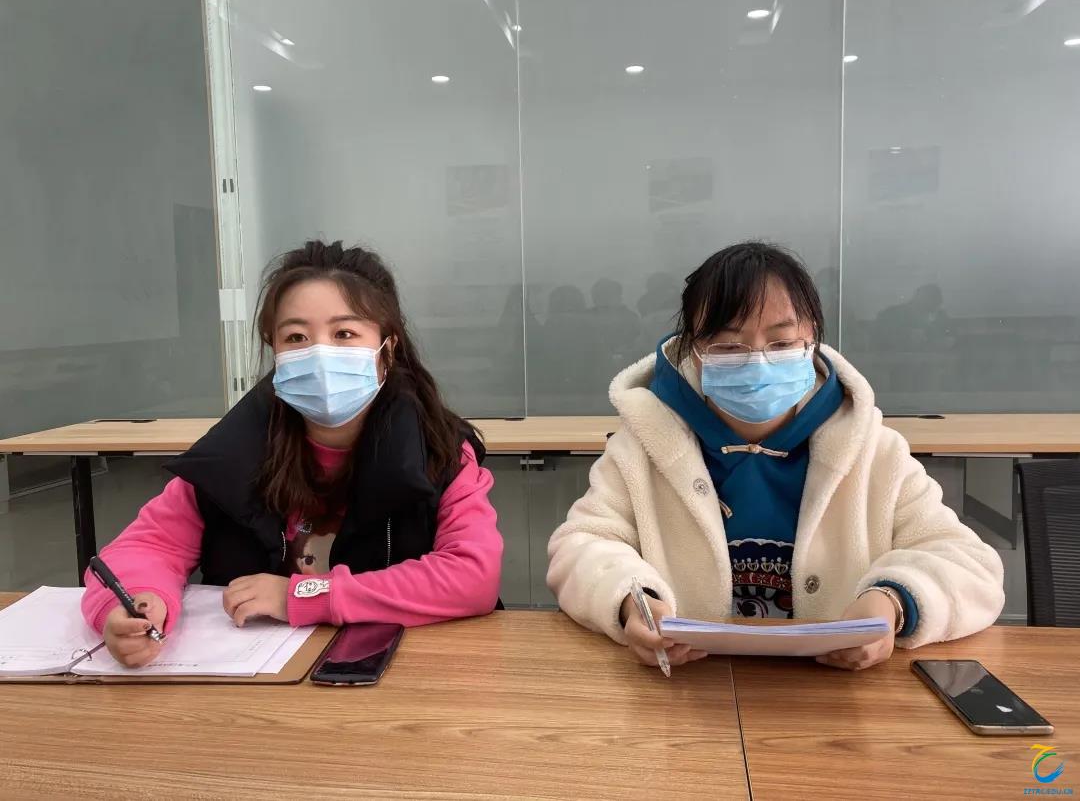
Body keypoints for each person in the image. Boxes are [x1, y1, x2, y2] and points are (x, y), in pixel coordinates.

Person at [547, 242, 1003, 671]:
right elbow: (582, 545)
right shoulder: (642, 446)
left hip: (836, 696)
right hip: (688, 687)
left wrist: (893, 602)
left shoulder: (874, 451)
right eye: (728, 346)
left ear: (812, 340)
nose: (758, 362)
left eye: (782, 344)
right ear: (692, 350)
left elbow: (969, 565)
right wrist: (633, 601)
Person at [82, 240, 503, 667]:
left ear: (387, 350)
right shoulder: (235, 450)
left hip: (397, 677)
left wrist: (303, 595)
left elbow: (472, 576)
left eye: (344, 334)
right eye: (296, 337)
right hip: (247, 686)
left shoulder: (438, 451)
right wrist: (136, 602)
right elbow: (148, 546)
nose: (319, 354)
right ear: (276, 352)